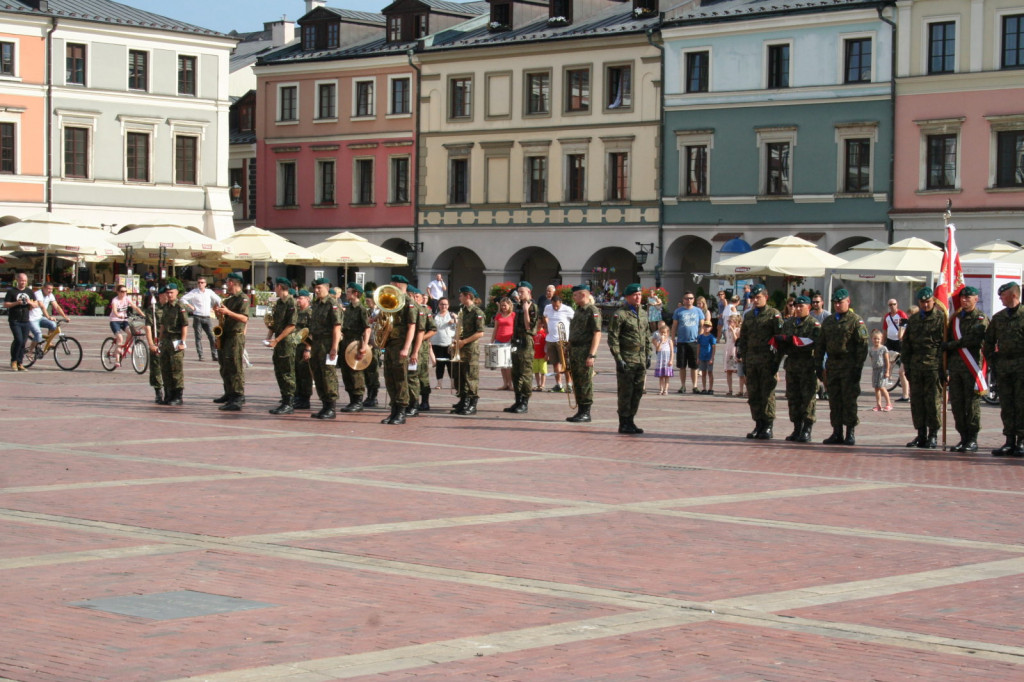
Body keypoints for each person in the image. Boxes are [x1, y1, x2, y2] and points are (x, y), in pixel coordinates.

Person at [815, 288, 869, 445]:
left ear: (848, 302)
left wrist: (858, 368)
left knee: (849, 400)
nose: (838, 305)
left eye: (841, 302)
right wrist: (818, 364)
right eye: (836, 303)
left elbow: (862, 346)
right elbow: (821, 344)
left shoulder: (855, 320)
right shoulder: (829, 321)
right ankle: (836, 432)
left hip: (849, 366)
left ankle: (850, 432)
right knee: (835, 400)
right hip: (832, 366)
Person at [901, 287, 947, 449]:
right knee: (917, 402)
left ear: (933, 301)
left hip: (933, 367)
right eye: (922, 302)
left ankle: (933, 434)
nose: (925, 305)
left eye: (928, 302)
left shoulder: (942, 318)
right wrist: (906, 365)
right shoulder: (913, 320)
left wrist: (944, 368)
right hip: (915, 367)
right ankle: (921, 434)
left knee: (933, 402)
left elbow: (945, 344)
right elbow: (906, 344)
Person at [983, 281, 1024, 456]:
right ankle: (1009, 440)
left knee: (1021, 405)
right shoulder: (999, 318)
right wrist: (994, 362)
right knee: (1006, 405)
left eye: (1003, 295)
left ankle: (1021, 441)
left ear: (1014, 295)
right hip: (1004, 368)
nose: (1000, 298)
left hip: (1022, 367)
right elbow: (989, 342)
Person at [945, 286, 988, 453]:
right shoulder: (955, 319)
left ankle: (972, 439)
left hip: (971, 369)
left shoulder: (980, 318)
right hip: (956, 369)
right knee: (957, 404)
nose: (964, 300)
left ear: (976, 299)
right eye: (962, 298)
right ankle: (963, 437)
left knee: (971, 405)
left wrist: (950, 345)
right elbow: (948, 338)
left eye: (968, 298)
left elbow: (972, 339)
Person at [737, 283, 782, 439]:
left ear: (766, 297)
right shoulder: (748, 315)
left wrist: (776, 362)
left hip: (767, 361)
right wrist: (741, 355)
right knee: (754, 394)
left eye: (758, 297)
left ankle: (768, 425)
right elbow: (743, 337)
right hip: (751, 361)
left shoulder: (773, 315)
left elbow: (779, 340)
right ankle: (758, 424)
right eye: (753, 298)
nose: (755, 300)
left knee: (767, 394)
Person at [776, 295, 821, 442]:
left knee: (807, 398)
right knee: (793, 398)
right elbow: (783, 342)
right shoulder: (789, 324)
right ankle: (797, 428)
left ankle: (807, 429)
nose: (798, 308)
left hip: (807, 366)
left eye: (802, 306)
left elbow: (815, 344)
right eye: (796, 306)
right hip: (792, 366)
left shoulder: (813, 325)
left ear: (809, 307)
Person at [608, 283, 652, 434]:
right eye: (635, 295)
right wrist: (618, 358)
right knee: (626, 392)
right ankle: (624, 422)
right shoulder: (620, 314)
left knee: (638, 391)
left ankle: (631, 419)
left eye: (639, 294)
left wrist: (649, 353)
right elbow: (613, 338)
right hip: (627, 358)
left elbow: (647, 335)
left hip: (640, 358)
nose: (638, 297)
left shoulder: (644, 313)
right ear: (627, 297)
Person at [381, 274, 417, 424]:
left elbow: (412, 326)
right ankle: (393, 409)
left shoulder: (408, 303)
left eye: (391, 285)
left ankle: (401, 411)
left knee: (400, 378)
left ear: (397, 285)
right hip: (389, 344)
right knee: (389, 378)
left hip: (400, 345)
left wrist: (406, 348)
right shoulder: (391, 302)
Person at [212, 273, 249, 412]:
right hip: (225, 336)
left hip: (235, 336)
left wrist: (227, 312)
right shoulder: (229, 299)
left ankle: (238, 396)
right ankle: (229, 392)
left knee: (235, 366)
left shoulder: (243, 299)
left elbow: (244, 318)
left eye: (227, 282)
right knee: (225, 366)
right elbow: (222, 318)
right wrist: (218, 312)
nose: (226, 285)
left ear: (233, 283)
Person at [565, 284, 602, 423]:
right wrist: (568, 345)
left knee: (585, 381)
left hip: (585, 350)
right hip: (575, 351)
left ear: (583, 295)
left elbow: (597, 333)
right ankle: (580, 410)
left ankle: (586, 411)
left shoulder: (592, 310)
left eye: (575, 295)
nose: (573, 297)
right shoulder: (578, 310)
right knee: (577, 381)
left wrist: (592, 355)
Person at [308, 277, 342, 419]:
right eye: (315, 288)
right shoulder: (316, 304)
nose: (316, 291)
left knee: (328, 375)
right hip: (316, 343)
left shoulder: (332, 304)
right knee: (318, 374)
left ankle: (331, 407)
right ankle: (324, 405)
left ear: (327, 288)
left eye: (319, 288)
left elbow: (337, 327)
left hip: (327, 343)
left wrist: (334, 347)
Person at [451, 286, 485, 415]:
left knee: (471, 376)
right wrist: (456, 340)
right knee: (460, 375)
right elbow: (460, 328)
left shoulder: (477, 312)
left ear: (468, 296)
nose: (459, 298)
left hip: (470, 349)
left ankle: (472, 403)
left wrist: (464, 342)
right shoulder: (463, 311)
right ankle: (463, 400)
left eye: (461, 295)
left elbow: (480, 333)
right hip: (461, 347)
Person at [504, 281, 538, 414]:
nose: (519, 294)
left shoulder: (532, 306)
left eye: (522, 291)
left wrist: (525, 311)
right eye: (519, 291)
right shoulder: (518, 305)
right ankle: (518, 400)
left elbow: (529, 326)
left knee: (525, 373)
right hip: (516, 342)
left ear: (529, 292)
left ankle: (525, 402)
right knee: (516, 373)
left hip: (526, 343)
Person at [267, 278, 298, 415]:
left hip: (286, 343)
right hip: (279, 343)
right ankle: (284, 400)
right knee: (279, 371)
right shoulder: (279, 303)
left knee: (287, 373)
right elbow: (274, 323)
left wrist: (277, 340)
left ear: (279, 286)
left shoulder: (291, 302)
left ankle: (289, 403)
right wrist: (268, 337)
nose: (274, 288)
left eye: (275, 286)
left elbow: (291, 325)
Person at [157, 283, 189, 406]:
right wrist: (159, 340)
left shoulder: (180, 306)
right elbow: (163, 325)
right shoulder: (166, 307)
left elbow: (184, 325)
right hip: (166, 340)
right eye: (168, 292)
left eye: (171, 292)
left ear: (177, 293)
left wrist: (183, 342)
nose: (169, 294)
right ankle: (169, 394)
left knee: (176, 369)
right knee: (165, 369)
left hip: (176, 339)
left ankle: (178, 396)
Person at [181, 275, 222, 362]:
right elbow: (183, 299)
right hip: (197, 317)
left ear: (205, 284)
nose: (200, 284)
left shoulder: (209, 292)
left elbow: (218, 299)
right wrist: (190, 306)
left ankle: (214, 355)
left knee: (212, 336)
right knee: (198, 337)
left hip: (207, 317)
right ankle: (201, 355)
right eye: (198, 283)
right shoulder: (194, 292)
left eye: (202, 283)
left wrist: (218, 306)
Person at [671, 292, 702, 394]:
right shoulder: (678, 311)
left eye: (691, 298)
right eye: (687, 298)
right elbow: (674, 326)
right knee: (682, 365)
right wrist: (672, 338)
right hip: (681, 341)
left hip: (694, 341)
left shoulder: (698, 311)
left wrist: (700, 337)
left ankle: (695, 386)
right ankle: (683, 385)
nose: (689, 300)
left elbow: (702, 325)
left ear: (693, 299)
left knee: (694, 365)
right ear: (683, 299)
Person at [5, 272, 38, 371]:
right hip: (14, 320)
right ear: (17, 280)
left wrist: (30, 302)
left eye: (25, 281)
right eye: (21, 280)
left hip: (25, 320)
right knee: (18, 340)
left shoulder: (29, 291)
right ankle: (14, 361)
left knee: (23, 342)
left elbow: (36, 304)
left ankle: (20, 363)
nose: (23, 282)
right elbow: (6, 304)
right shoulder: (12, 291)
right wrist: (16, 303)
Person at [544, 292, 575, 393]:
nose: (555, 308)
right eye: (554, 305)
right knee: (555, 364)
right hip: (550, 339)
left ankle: (569, 384)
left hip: (562, 340)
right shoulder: (548, 307)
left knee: (565, 364)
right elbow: (544, 316)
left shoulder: (567, 309)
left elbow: (575, 320)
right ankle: (559, 384)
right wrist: (546, 327)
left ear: (560, 303)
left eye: (557, 306)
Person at [28, 282, 69, 354]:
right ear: (43, 288)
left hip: (40, 317)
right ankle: (30, 352)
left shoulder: (50, 295)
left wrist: (65, 317)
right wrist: (48, 317)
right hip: (32, 319)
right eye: (48, 289)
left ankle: (48, 342)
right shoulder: (38, 294)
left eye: (52, 289)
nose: (50, 291)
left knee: (53, 325)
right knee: (38, 334)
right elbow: (42, 306)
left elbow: (56, 306)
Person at [883, 297, 910, 401]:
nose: (892, 306)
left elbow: (904, 328)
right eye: (890, 305)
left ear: (897, 304)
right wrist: (882, 342)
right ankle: (888, 376)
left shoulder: (902, 314)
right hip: (890, 340)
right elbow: (884, 330)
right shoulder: (887, 316)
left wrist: (902, 338)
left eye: (894, 304)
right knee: (888, 359)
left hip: (899, 342)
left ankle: (906, 394)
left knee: (902, 370)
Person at [144, 287, 166, 404]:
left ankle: (170, 393)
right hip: (157, 341)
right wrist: (151, 343)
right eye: (165, 294)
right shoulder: (153, 309)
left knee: (170, 368)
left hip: (169, 342)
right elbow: (148, 327)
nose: (167, 296)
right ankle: (158, 392)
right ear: (160, 296)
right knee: (156, 368)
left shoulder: (174, 308)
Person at [292, 290, 314, 410]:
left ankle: (305, 399)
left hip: (304, 347)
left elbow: (312, 332)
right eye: (297, 298)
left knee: (305, 374)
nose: (298, 300)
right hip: (295, 346)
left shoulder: (310, 313)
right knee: (296, 373)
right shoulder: (297, 312)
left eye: (300, 298)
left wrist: (308, 349)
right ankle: (298, 396)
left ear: (307, 299)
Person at [108, 284, 143, 352]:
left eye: (125, 291)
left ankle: (126, 346)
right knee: (120, 338)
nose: (124, 293)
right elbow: (114, 310)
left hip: (124, 320)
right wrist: (118, 315)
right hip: (115, 321)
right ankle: (117, 356)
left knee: (130, 333)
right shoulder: (115, 300)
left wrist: (143, 314)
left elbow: (135, 307)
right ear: (118, 292)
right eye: (122, 291)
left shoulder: (127, 298)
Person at [430, 297, 455, 390]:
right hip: (436, 342)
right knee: (439, 364)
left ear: (448, 306)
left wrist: (455, 320)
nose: (443, 306)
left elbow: (459, 328)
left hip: (449, 343)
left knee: (450, 364)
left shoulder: (452, 315)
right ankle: (439, 383)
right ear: (438, 305)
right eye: (441, 304)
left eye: (445, 304)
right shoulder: (434, 316)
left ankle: (453, 383)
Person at [491, 296, 515, 390]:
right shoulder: (499, 315)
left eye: (505, 305)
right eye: (502, 306)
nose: (503, 307)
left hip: (508, 340)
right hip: (499, 340)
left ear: (509, 305)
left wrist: (512, 339)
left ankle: (511, 384)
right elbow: (495, 328)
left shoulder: (513, 315)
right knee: (502, 364)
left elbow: (515, 328)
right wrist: (492, 340)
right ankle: (505, 384)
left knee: (508, 365)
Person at [869, 329, 893, 413]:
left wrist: (887, 371)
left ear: (881, 339)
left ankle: (888, 404)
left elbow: (887, 361)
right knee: (876, 388)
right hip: (875, 370)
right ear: (872, 339)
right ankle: (878, 405)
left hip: (882, 370)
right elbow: (872, 359)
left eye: (878, 339)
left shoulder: (883, 348)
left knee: (882, 387)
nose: (876, 340)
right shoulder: (871, 349)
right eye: (874, 338)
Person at [652, 320, 674, 395]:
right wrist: (661, 341)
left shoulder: (669, 341)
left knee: (667, 376)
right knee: (661, 376)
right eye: (661, 333)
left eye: (664, 333)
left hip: (667, 359)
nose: (663, 334)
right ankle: (661, 389)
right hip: (660, 359)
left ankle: (666, 390)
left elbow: (672, 351)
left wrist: (671, 360)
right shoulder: (658, 341)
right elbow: (658, 349)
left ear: (667, 333)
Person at [723, 313, 742, 396]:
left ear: (735, 322)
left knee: (739, 372)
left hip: (735, 351)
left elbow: (736, 340)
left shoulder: (738, 330)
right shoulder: (727, 331)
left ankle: (742, 390)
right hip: (728, 351)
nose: (729, 323)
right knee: (728, 371)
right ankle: (730, 389)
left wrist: (733, 331)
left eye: (731, 321)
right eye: (728, 321)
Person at [697, 321, 716, 394]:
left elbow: (713, 347)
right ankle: (704, 388)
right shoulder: (700, 337)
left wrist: (712, 357)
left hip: (709, 356)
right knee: (703, 372)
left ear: (711, 328)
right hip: (702, 356)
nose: (706, 328)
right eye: (705, 326)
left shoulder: (711, 337)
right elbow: (698, 347)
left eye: (708, 326)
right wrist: (698, 357)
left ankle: (710, 388)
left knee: (710, 372)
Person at [533, 322, 548, 392]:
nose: (538, 325)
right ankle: (538, 384)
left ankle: (543, 384)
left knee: (543, 371)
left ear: (543, 324)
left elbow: (547, 344)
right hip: (535, 355)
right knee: (536, 371)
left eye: (540, 323)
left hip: (542, 355)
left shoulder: (545, 333)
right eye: (537, 323)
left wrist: (547, 354)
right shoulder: (534, 333)